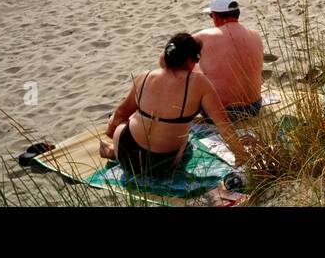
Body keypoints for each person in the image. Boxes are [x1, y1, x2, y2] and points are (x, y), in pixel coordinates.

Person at [99, 33, 247, 177]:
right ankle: (114, 150)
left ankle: (113, 150)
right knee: (185, 142)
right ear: (191, 60)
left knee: (131, 118)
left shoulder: (145, 77)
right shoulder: (199, 83)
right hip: (161, 165)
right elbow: (223, 124)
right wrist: (241, 157)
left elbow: (120, 114)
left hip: (126, 153)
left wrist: (111, 133)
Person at [192, 0, 265, 120]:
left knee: (186, 68)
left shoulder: (202, 37)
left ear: (214, 16)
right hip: (253, 108)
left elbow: (166, 59)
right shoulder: (255, 35)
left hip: (220, 113)